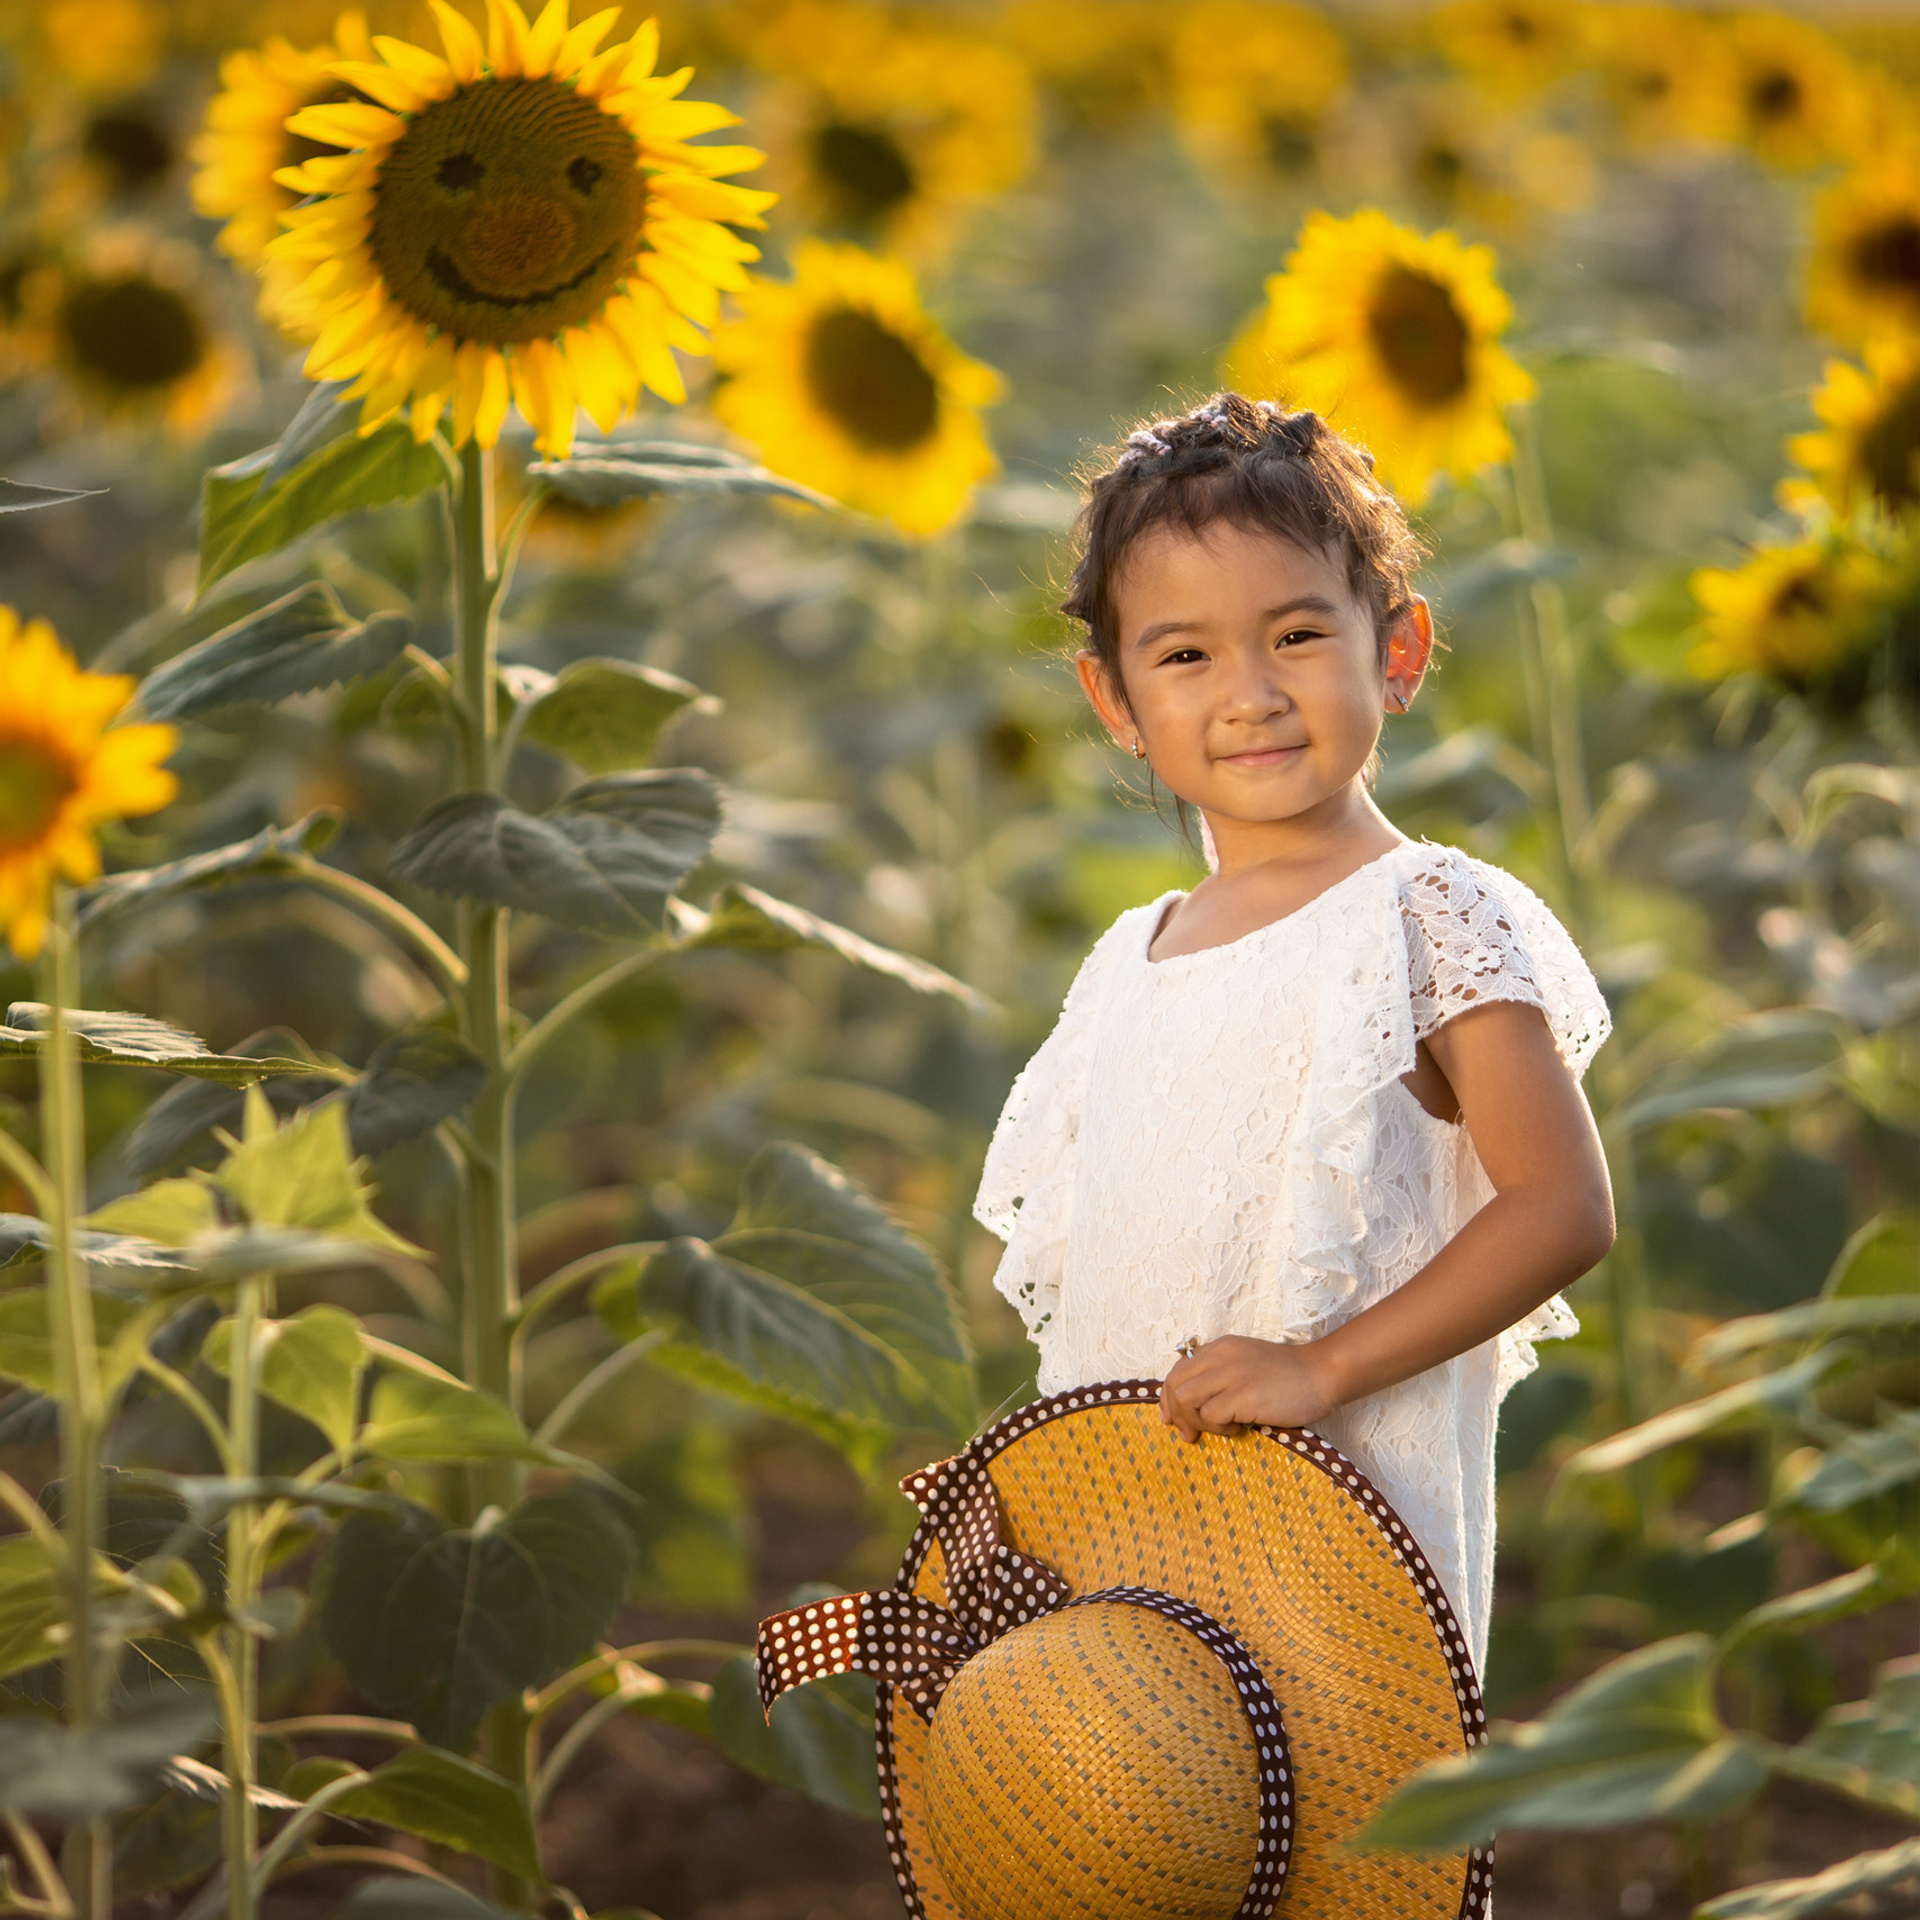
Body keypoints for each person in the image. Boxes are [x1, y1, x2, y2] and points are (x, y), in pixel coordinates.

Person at [973, 391, 1616, 1673]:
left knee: (1340, 1856)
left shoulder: (1428, 913)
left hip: (1345, 1556)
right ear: (1115, 699)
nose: (1251, 694)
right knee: (1140, 1840)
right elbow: (1108, 1284)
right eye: (1186, 656)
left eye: (1297, 633)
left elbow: (1561, 1207)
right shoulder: (1129, 961)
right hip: (1130, 1553)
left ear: (1399, 648)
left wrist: (1322, 1369)